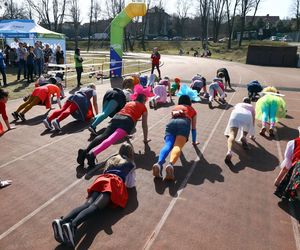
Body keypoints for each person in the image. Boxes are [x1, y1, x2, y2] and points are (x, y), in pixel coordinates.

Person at [52, 143, 136, 247]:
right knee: (95, 207)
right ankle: (72, 225)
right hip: (113, 183)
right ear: (131, 152)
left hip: (102, 179)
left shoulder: (113, 158)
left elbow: (105, 170)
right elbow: (131, 184)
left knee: (87, 204)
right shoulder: (131, 164)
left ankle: (62, 221)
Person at [77, 85, 152, 168]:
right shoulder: (143, 108)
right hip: (127, 122)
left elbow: (127, 113)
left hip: (117, 117)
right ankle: (92, 155)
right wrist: (145, 139)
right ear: (144, 99)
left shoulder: (130, 103)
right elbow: (144, 125)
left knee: (103, 136)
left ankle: (85, 151)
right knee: (111, 139)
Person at [152, 95, 199, 181]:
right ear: (189, 102)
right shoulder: (192, 110)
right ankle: (170, 165)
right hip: (184, 123)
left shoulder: (176, 107)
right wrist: (194, 141)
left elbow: (175, 116)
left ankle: (158, 164)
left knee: (168, 145)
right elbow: (193, 128)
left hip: (171, 123)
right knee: (177, 146)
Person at [224, 97, 255, 163]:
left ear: (243, 101)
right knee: (246, 128)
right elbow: (253, 120)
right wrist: (252, 133)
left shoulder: (238, 104)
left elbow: (232, 113)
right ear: (250, 102)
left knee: (232, 135)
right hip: (247, 116)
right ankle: (243, 136)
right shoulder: (251, 106)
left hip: (236, 115)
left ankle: (229, 152)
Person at [274, 127, 300, 201]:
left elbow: (287, 160)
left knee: (290, 171)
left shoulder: (293, 142)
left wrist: (278, 180)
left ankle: (279, 183)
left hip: (297, 166)